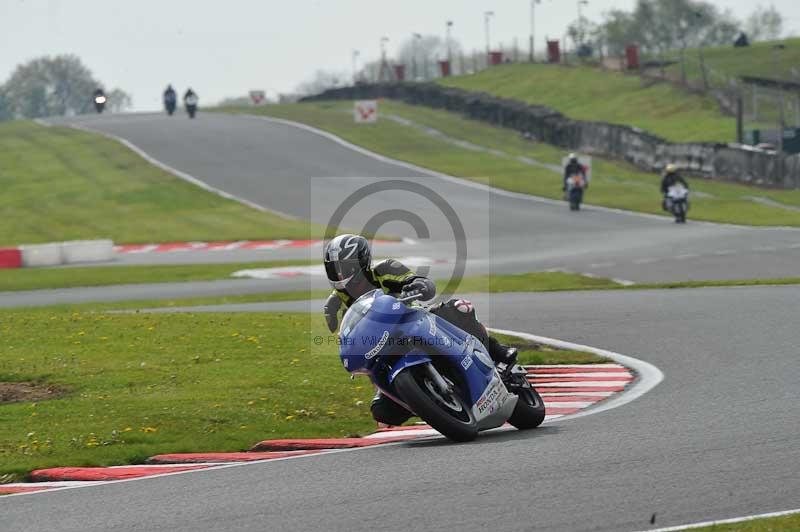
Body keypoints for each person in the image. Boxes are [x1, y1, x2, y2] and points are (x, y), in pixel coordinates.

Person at [322, 234, 518, 426]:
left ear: (362, 261)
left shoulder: (386, 269)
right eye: (334, 269)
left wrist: (418, 285)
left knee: (457, 308)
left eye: (346, 267)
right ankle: (426, 402)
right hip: (385, 346)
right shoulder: (336, 301)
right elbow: (345, 333)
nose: (340, 275)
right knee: (381, 411)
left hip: (415, 319)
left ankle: (497, 352)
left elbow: (419, 282)